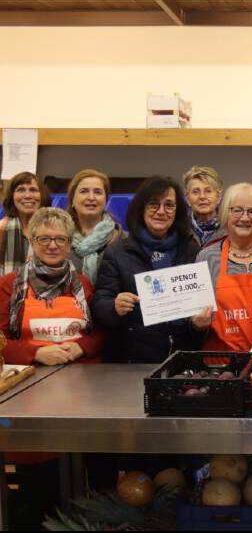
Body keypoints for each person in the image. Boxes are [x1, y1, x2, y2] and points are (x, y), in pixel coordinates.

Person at [0, 207, 103, 530]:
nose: (53, 245)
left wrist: (82, 346)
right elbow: (1, 338)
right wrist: (34, 352)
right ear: (31, 240)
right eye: (44, 238)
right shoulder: (8, 285)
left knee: (80, 477)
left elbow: (100, 332)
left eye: (60, 239)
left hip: (82, 392)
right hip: (30, 394)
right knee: (37, 487)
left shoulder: (83, 283)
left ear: (69, 242)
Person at [92, 176, 204, 363]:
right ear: (141, 208)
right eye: (153, 204)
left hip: (181, 359)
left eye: (169, 205)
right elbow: (100, 304)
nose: (161, 211)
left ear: (177, 211)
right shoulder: (118, 251)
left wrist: (200, 325)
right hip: (131, 360)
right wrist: (114, 306)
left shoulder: (191, 249)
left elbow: (199, 307)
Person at [194, 183, 252, 351]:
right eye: (237, 210)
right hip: (221, 362)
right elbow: (197, 319)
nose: (244, 218)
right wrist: (198, 325)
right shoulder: (207, 257)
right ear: (226, 213)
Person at [67, 169, 126, 284]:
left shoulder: (124, 240)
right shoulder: (57, 238)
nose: (91, 197)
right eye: (84, 191)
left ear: (106, 200)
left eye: (98, 192)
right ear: (72, 200)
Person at [0, 172, 52, 276]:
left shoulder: (54, 229)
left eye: (33, 190)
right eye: (20, 190)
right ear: (12, 196)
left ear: (42, 195)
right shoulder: (1, 228)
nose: (27, 195)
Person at [183, 166, 225, 247]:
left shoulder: (231, 230)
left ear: (219, 198)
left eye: (208, 191)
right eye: (195, 192)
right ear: (187, 199)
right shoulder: (179, 229)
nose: (202, 196)